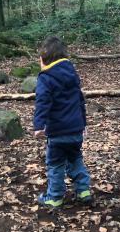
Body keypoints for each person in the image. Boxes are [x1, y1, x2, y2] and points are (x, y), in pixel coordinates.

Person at [33, 36, 92, 208]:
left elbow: (42, 101)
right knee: (75, 160)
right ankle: (83, 191)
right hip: (75, 131)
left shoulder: (46, 78)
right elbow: (80, 101)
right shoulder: (72, 74)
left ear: (44, 59)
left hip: (58, 132)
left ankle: (55, 197)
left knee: (56, 165)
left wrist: (39, 125)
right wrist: (84, 124)